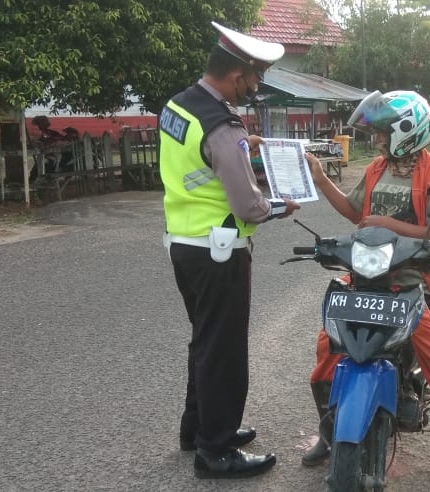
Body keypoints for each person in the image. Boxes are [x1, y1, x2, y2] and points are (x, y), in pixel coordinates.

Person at [302, 90, 430, 480]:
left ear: (405, 132)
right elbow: (354, 210)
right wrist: (321, 180)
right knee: (327, 352)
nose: (376, 140)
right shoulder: (378, 168)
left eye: (382, 132)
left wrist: (388, 225)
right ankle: (330, 433)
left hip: (412, 282)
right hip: (366, 277)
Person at [159, 21, 299, 479]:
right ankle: (215, 451)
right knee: (224, 351)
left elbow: (199, 163)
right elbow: (247, 204)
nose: (254, 88)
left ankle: (198, 428)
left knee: (205, 340)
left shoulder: (178, 106)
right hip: (221, 251)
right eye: (255, 79)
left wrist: (244, 147)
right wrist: (278, 206)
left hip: (184, 243)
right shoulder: (223, 123)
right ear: (238, 75)